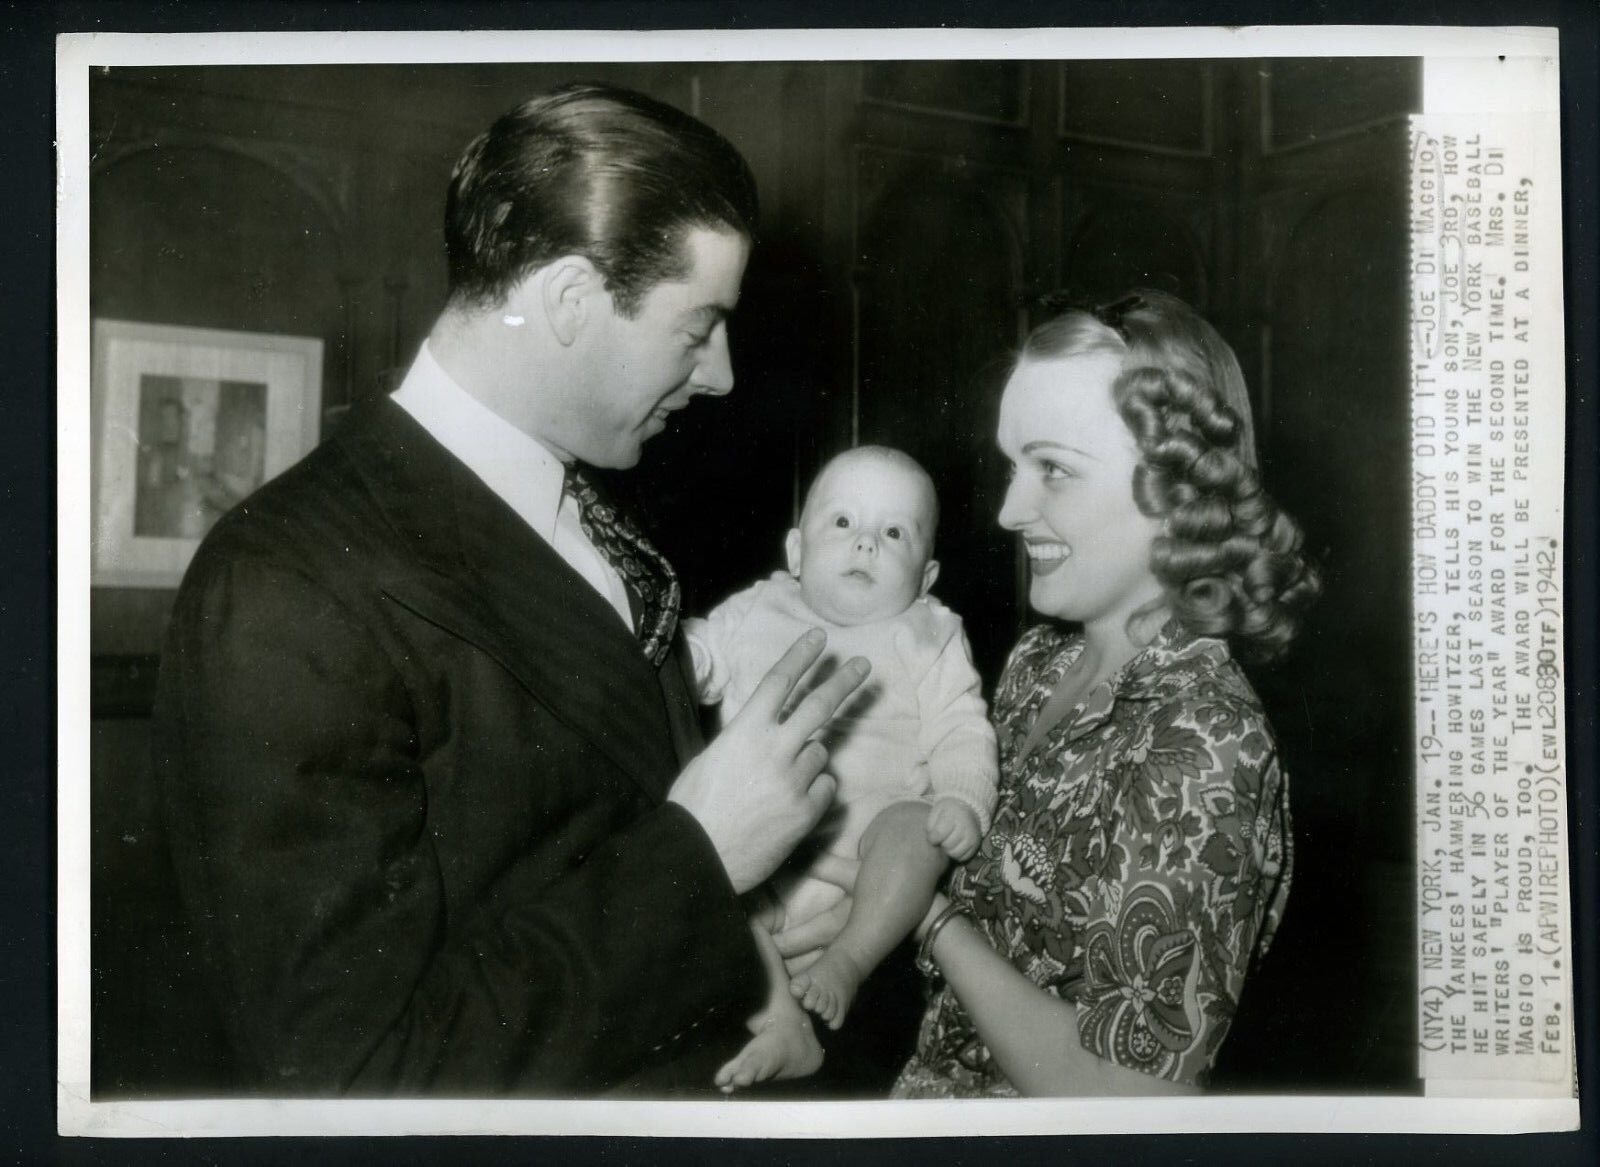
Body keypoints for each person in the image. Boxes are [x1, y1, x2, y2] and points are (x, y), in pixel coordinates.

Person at [150, 83, 871, 1096]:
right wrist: (700, 861)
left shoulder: (584, 499)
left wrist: (749, 924)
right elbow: (353, 1077)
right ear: (573, 300)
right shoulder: (284, 584)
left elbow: (575, 843)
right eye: (698, 326)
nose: (720, 376)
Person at [780, 290, 1319, 1095]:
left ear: (1177, 485)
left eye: (1054, 469)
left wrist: (930, 920)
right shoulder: (1040, 659)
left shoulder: (1206, 742)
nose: (1007, 510)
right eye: (1012, 465)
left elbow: (1136, 1099)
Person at [682, 447, 998, 1091]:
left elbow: (963, 728)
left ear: (927, 574)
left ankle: (848, 963)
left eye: (893, 533)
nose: (866, 546)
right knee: (701, 878)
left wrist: (964, 801)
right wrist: (674, 648)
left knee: (916, 827)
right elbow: (697, 659)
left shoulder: (930, 632)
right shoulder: (756, 609)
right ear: (795, 553)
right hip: (758, 854)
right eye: (843, 524)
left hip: (871, 869)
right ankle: (783, 1027)